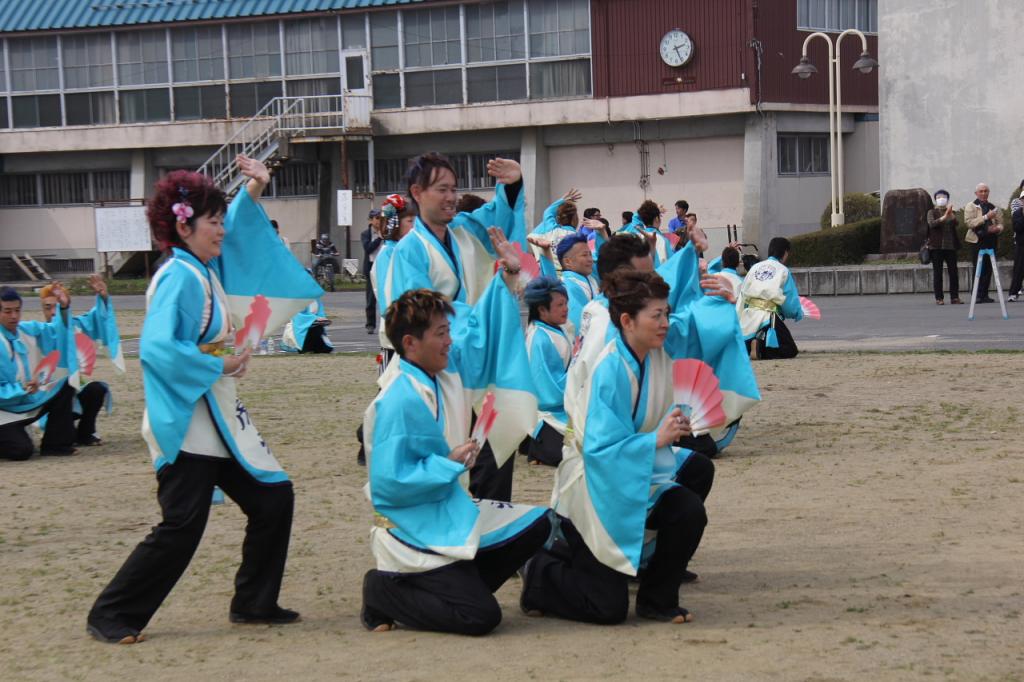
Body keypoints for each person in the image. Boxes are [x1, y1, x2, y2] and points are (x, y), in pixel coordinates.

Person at [86, 154, 320, 645]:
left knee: (273, 497)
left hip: (214, 416)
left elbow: (234, 231)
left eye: (218, 218)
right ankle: (112, 612)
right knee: (182, 525)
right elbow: (156, 347)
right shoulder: (180, 276)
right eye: (212, 221)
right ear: (185, 226)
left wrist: (252, 191)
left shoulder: (198, 267)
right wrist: (219, 362)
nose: (221, 230)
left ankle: (254, 602)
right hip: (191, 416)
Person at [361, 266, 552, 636]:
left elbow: (480, 333)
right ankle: (383, 590)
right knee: (481, 618)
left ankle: (462, 585)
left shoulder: (445, 370)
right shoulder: (398, 399)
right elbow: (388, 485)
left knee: (539, 523)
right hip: (413, 525)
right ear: (410, 344)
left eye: (448, 331)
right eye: (441, 333)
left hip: (450, 506)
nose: (450, 341)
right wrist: (445, 464)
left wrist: (506, 279)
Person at [521, 270, 703, 625]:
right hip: (593, 488)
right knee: (606, 608)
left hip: (634, 473)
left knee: (687, 509)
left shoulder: (654, 354)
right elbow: (600, 451)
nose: (666, 322)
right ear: (626, 321)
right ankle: (540, 572)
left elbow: (698, 335)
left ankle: (657, 598)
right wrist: (656, 439)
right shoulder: (610, 368)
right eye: (657, 315)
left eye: (666, 313)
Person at [387, 152, 530, 502]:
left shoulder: (465, 230)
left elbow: (499, 219)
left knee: (494, 451)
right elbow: (420, 313)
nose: (451, 197)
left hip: (477, 358)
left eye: (454, 188)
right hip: (442, 366)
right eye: (441, 189)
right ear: (417, 193)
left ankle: (493, 529)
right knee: (456, 451)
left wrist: (511, 187)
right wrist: (480, 320)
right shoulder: (409, 251)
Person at [39, 274, 124, 446]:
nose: (53, 312)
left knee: (97, 389)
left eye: (57, 306)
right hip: (48, 398)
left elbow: (98, 319)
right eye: (48, 307)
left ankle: (86, 431)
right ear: (42, 309)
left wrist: (103, 297)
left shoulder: (77, 325)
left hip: (73, 393)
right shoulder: (38, 332)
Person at [0, 285, 78, 460]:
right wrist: (22, 388)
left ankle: (56, 445)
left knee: (65, 384)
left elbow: (55, 331)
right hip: (3, 408)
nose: (14, 316)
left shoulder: (26, 329)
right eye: (7, 311)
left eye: (17, 310)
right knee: (22, 451)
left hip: (25, 400)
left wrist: (63, 308)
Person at [523, 277, 571, 467]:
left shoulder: (550, 330)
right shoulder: (540, 339)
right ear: (542, 310)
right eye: (560, 305)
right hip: (548, 417)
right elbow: (548, 394)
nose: (566, 308)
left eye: (566, 303)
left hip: (560, 410)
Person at [739, 237, 804, 360]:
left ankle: (753, 345)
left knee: (746, 343)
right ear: (785, 253)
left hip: (748, 318)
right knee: (789, 349)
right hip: (769, 318)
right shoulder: (783, 271)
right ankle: (761, 348)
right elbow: (789, 302)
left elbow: (742, 295)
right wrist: (797, 313)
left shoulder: (754, 268)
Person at [533, 231, 600, 334]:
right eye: (584, 255)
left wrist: (601, 232)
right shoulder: (567, 284)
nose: (590, 259)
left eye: (590, 254)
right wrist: (545, 253)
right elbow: (551, 284)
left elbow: (605, 262)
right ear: (568, 262)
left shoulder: (592, 279)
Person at [963, 183, 1003, 304]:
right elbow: (969, 223)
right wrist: (986, 217)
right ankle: (977, 294)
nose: (984, 193)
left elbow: (1001, 222)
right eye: (981, 191)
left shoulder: (993, 206)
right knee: (979, 267)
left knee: (989, 267)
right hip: (977, 240)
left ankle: (985, 294)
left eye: (986, 191)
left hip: (991, 239)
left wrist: (998, 228)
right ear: (976, 193)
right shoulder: (971, 206)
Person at [527, 188, 583, 270]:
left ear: (558, 218)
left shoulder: (551, 229)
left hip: (549, 271)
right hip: (568, 274)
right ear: (575, 219)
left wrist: (562, 200)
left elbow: (548, 212)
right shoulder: (578, 237)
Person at [926, 190, 962, 305]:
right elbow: (932, 224)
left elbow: (956, 224)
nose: (941, 198)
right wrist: (944, 217)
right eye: (939, 197)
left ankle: (955, 297)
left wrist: (950, 214)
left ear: (947, 199)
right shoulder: (931, 212)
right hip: (936, 246)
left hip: (950, 246)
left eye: (944, 197)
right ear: (935, 199)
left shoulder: (951, 212)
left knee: (953, 272)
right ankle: (939, 298)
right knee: (938, 273)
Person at [622, 200, 672, 267]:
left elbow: (635, 218)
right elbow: (672, 265)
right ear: (657, 218)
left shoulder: (636, 237)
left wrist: (652, 210)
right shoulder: (663, 240)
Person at [361, 210, 383, 334]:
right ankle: (370, 324)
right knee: (371, 299)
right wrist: (379, 238)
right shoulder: (365, 234)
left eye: (381, 218)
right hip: (371, 268)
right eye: (377, 218)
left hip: (384, 266)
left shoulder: (388, 232)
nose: (379, 220)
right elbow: (368, 248)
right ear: (370, 220)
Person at [1007, 181, 1024, 302]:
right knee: (1018, 268)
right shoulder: (1018, 213)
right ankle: (1013, 293)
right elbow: (1017, 227)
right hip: (1021, 243)